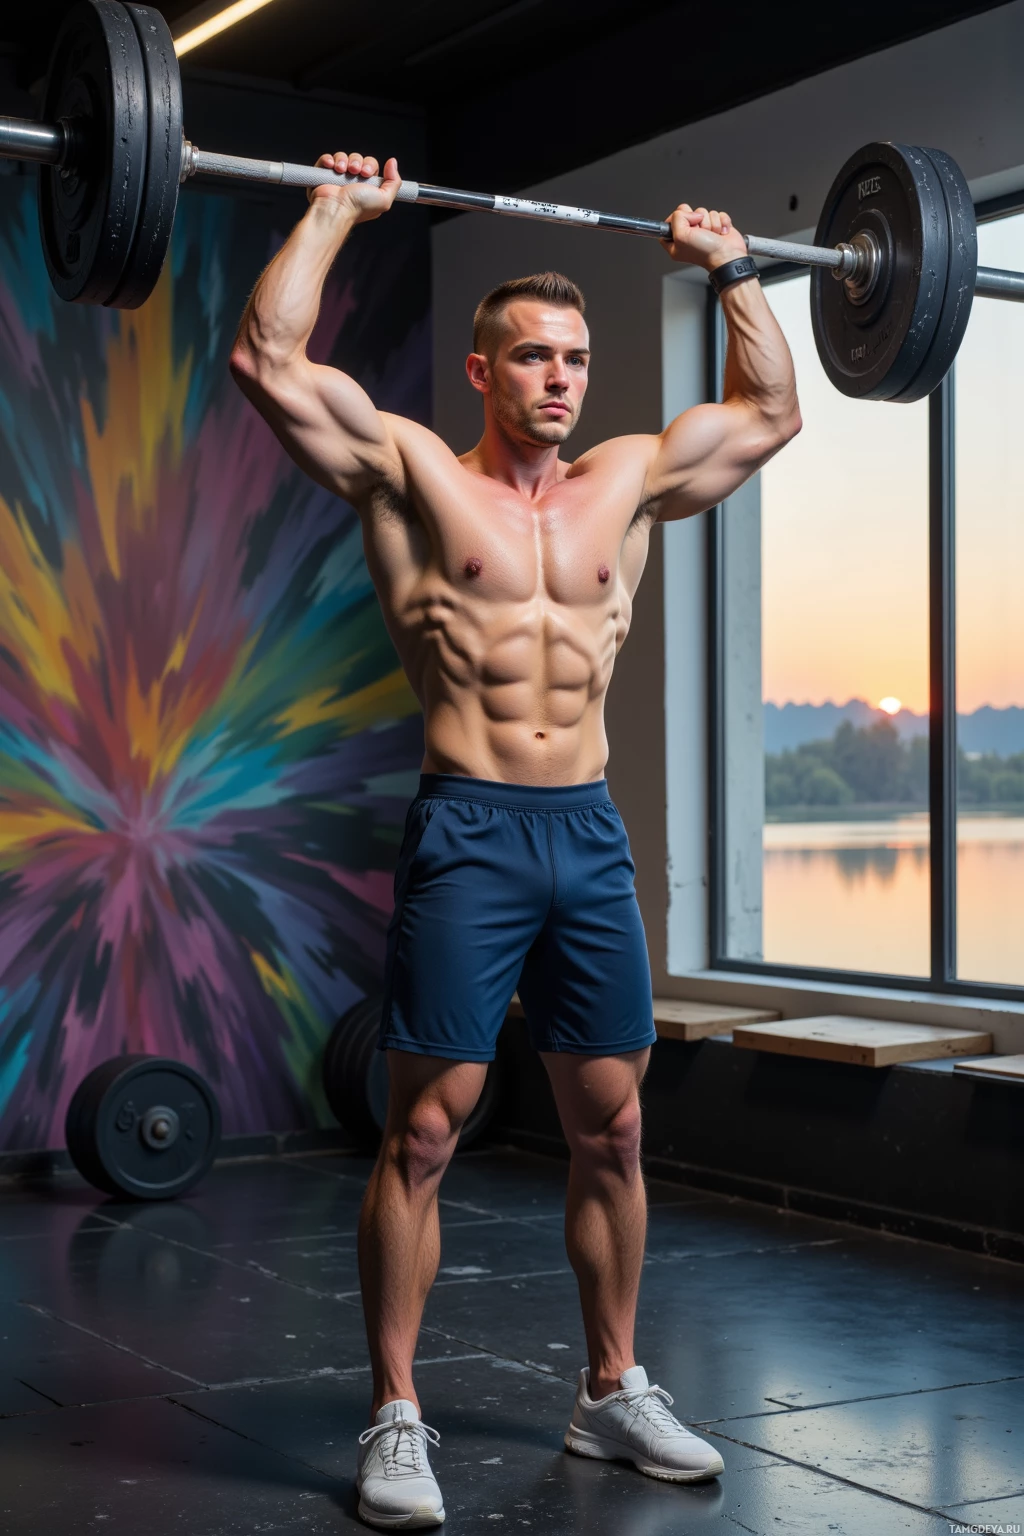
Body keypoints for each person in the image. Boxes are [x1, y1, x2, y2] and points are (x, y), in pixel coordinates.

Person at [230, 149, 801, 1531]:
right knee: (425, 1131)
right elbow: (264, 358)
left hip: (587, 833)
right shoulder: (411, 469)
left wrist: (733, 263)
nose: (561, 377)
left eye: (578, 357)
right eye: (533, 357)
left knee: (613, 1130)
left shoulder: (634, 474)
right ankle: (397, 1412)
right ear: (481, 373)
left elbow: (775, 407)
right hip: (471, 829)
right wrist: (334, 209)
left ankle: (610, 1390)